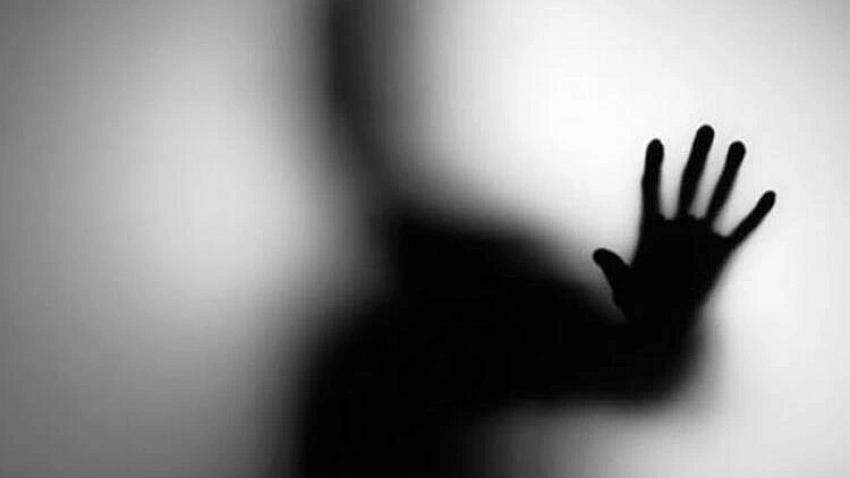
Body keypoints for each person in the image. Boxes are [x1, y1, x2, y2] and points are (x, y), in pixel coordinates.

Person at [293, 3, 776, 477]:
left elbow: (638, 370)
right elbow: (634, 369)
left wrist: (659, 331)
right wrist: (657, 334)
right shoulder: (399, 328)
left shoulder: (480, 288)